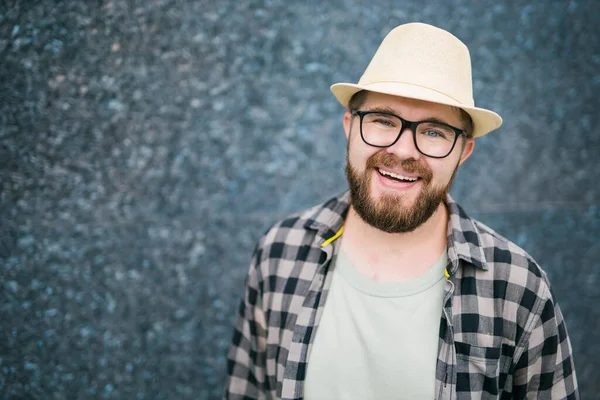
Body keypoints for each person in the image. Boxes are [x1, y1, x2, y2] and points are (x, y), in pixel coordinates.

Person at [224, 23, 579, 400]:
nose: (405, 151)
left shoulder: (518, 287)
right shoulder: (280, 252)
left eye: (434, 132)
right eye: (383, 121)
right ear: (350, 127)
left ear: (464, 151)